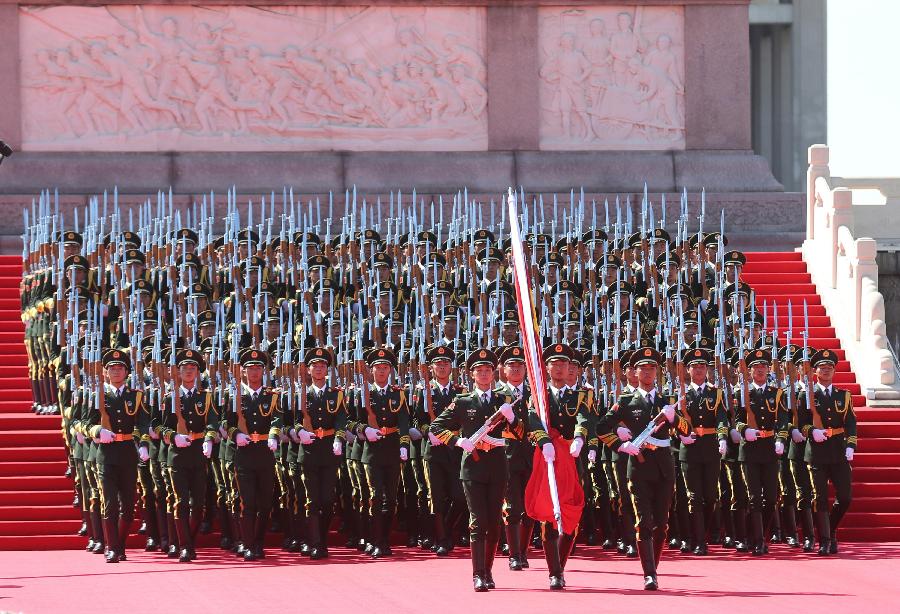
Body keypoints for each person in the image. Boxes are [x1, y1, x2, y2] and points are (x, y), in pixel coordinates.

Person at [598, 346, 689, 590]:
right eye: (643, 368)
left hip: (663, 466)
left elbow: (687, 431)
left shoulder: (665, 401)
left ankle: (653, 568)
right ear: (634, 373)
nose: (648, 372)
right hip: (637, 467)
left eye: (652, 368)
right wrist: (621, 443)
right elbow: (601, 428)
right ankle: (649, 573)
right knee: (643, 521)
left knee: (662, 523)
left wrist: (674, 418)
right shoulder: (626, 401)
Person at [430, 347, 517, 592]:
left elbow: (521, 434)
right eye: (479, 370)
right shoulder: (463, 401)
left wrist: (512, 419)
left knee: (494, 522)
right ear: (472, 374)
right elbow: (436, 427)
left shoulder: (504, 400)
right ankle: (478, 574)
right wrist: (458, 441)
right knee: (478, 521)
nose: (484, 374)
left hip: (498, 466)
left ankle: (488, 571)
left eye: (488, 370)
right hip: (472, 468)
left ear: (494, 373)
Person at [79, 348, 150, 563]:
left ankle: (120, 544)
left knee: (128, 506)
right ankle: (112, 548)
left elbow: (143, 423)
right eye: (112, 368)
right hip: (106, 455)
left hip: (128, 453)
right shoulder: (96, 395)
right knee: (109, 503)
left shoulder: (136, 396)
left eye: (120, 368)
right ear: (105, 372)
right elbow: (82, 423)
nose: (116, 372)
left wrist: (143, 444)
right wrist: (97, 431)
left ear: (127, 372)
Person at [224, 349, 283, 561]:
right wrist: (236, 434)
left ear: (264, 371)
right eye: (251, 368)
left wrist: (274, 435)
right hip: (244, 454)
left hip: (265, 453)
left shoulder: (271, 395)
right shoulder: (234, 395)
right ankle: (248, 544)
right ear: (243, 371)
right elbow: (226, 422)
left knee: (266, 502)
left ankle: (259, 542)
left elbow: (278, 419)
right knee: (247, 503)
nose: (255, 371)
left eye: (258, 368)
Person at [798, 349, 857, 555]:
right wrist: (812, 431)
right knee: (820, 497)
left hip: (839, 451)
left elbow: (850, 422)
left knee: (845, 497)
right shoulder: (806, 395)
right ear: (815, 371)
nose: (826, 371)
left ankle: (830, 529)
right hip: (817, 452)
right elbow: (801, 424)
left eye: (829, 368)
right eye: (822, 368)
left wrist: (851, 445)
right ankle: (824, 540)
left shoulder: (844, 395)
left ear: (834, 371)